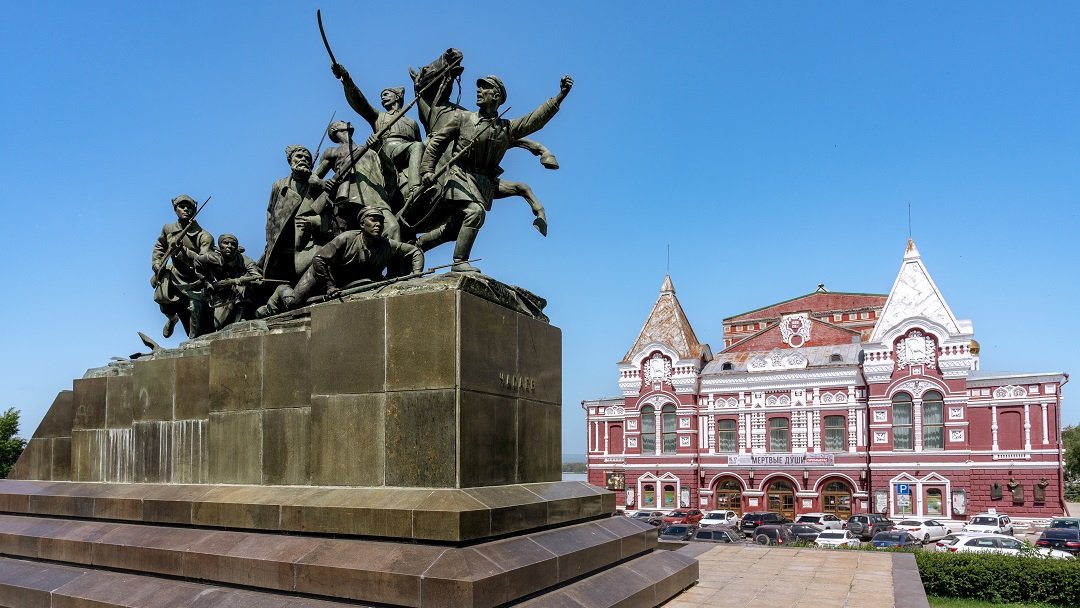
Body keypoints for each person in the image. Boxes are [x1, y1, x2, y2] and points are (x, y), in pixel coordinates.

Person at [416, 74, 573, 273]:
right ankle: (459, 261)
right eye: (479, 87)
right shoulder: (462, 118)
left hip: (486, 181)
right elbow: (437, 143)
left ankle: (419, 245)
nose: (479, 91)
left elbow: (535, 120)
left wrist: (560, 95)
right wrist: (427, 170)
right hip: (460, 175)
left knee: (454, 229)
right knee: (475, 212)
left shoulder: (506, 128)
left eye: (485, 88)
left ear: (496, 95)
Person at [256, 207, 424, 317]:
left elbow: (415, 252)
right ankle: (281, 292)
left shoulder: (387, 245)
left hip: (347, 282)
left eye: (380, 221)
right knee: (293, 304)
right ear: (362, 223)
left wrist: (416, 275)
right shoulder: (347, 238)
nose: (378, 224)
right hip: (321, 274)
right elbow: (319, 259)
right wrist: (329, 285)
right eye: (373, 220)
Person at [332, 63, 425, 202]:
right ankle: (415, 188)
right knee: (417, 146)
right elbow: (360, 102)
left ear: (397, 97)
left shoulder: (412, 123)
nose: (383, 98)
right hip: (388, 151)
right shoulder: (379, 116)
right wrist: (346, 79)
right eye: (382, 96)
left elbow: (420, 145)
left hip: (407, 151)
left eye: (386, 94)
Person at [312, 121, 400, 241]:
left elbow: (390, 171)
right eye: (342, 122)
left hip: (377, 198)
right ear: (334, 129)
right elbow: (313, 178)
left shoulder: (370, 148)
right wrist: (324, 183)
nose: (347, 122)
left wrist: (378, 147)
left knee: (393, 228)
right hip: (350, 200)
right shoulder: (332, 151)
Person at [261, 145, 332, 283]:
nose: (303, 160)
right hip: (280, 245)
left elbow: (331, 216)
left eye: (307, 158)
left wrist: (315, 221)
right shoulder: (279, 185)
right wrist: (269, 240)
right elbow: (270, 213)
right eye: (299, 157)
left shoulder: (318, 187)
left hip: (307, 244)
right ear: (290, 161)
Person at [151, 194, 214, 338]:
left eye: (189, 207)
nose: (186, 210)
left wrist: (182, 250)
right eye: (182, 206)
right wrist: (156, 263)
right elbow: (159, 247)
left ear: (194, 210)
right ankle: (172, 319)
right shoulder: (168, 228)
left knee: (194, 313)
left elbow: (202, 261)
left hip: (195, 279)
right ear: (175, 209)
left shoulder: (204, 236)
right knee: (162, 301)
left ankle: (192, 340)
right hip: (174, 274)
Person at [194, 234, 263, 331]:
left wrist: (240, 280)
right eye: (226, 243)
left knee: (243, 285)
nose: (230, 246)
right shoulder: (211, 257)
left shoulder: (245, 260)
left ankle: (241, 317)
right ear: (220, 246)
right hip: (220, 292)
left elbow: (258, 277)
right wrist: (207, 283)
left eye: (233, 244)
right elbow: (197, 264)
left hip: (238, 291)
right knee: (218, 324)